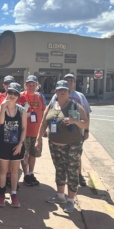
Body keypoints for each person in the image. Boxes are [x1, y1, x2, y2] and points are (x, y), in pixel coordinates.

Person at [37, 80, 89, 213]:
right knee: (59, 170)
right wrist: (39, 139)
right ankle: (60, 196)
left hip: (72, 146)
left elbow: (86, 124)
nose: (62, 92)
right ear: (56, 91)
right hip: (54, 145)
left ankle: (70, 201)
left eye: (64, 90)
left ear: (68, 91)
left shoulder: (75, 106)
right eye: (59, 90)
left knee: (71, 172)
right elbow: (43, 123)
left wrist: (74, 121)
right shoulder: (51, 106)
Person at [49, 73, 91, 187]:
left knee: (76, 156)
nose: (69, 82)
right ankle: (64, 183)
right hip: (59, 133)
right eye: (67, 80)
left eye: (71, 80)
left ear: (74, 83)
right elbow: (50, 110)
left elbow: (86, 114)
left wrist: (86, 131)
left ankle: (78, 174)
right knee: (61, 161)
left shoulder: (80, 96)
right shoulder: (56, 96)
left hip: (76, 132)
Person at [0, 83, 26, 208]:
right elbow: (1, 122)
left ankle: (13, 194)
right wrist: (3, 108)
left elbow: (24, 129)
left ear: (18, 96)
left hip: (16, 145)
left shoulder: (21, 110)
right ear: (6, 93)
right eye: (10, 93)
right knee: (3, 170)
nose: (12, 95)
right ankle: (1, 194)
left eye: (15, 93)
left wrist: (20, 144)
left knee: (14, 171)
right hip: (3, 144)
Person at [18, 75, 46, 186]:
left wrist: (44, 129)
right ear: (25, 85)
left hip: (36, 131)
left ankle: (30, 173)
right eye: (29, 85)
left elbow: (43, 113)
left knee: (34, 154)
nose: (31, 87)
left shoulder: (40, 97)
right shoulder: (20, 96)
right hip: (24, 131)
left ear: (37, 86)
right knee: (25, 154)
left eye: (33, 85)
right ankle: (25, 175)